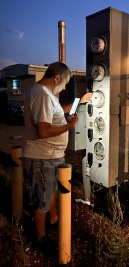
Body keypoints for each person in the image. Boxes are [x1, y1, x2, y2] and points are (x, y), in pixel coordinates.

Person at [22, 62, 92, 254]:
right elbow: (43, 131)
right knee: (42, 199)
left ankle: (52, 221)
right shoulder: (42, 95)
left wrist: (80, 101)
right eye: (65, 83)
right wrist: (70, 126)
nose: (64, 87)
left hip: (51, 155)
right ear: (57, 78)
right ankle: (39, 239)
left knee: (50, 192)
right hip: (42, 156)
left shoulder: (45, 95)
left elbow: (59, 111)